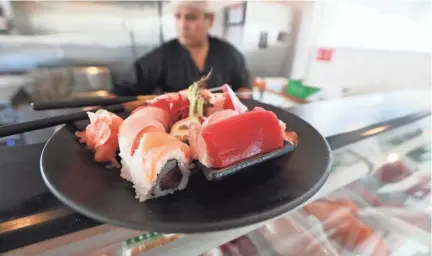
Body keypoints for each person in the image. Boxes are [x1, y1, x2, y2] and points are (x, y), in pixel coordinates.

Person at [114, 1, 251, 96]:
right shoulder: (163, 56)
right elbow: (125, 89)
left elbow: (243, 89)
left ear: (210, 19)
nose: (182, 25)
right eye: (178, 17)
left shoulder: (229, 54)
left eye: (191, 18)